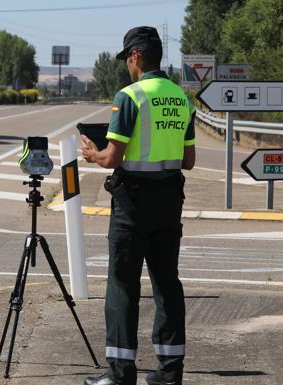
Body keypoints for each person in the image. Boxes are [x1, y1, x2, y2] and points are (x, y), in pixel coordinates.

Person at [80, 26, 195, 385]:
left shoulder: (130, 97)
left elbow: (113, 157)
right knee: (167, 285)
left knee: (122, 286)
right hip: (169, 201)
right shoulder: (181, 98)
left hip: (133, 203)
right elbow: (188, 160)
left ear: (135, 56)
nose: (127, 67)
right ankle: (169, 372)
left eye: (127, 60)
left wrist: (91, 154)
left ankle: (119, 374)